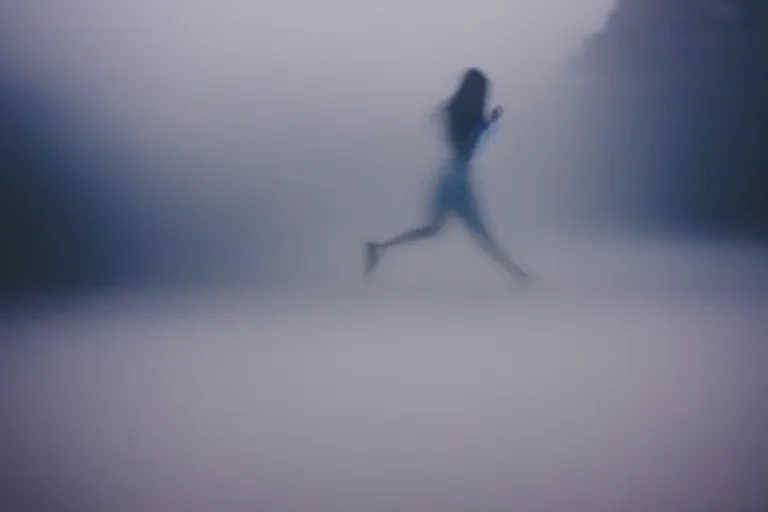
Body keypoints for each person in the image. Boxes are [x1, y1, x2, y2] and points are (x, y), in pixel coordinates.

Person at [364, 67, 528, 282]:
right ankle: (519, 276)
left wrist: (488, 123)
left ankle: (380, 247)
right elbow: (470, 145)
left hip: (449, 177)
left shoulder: (456, 110)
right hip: (457, 180)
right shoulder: (469, 116)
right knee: (479, 233)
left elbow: (465, 142)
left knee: (433, 228)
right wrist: (490, 122)